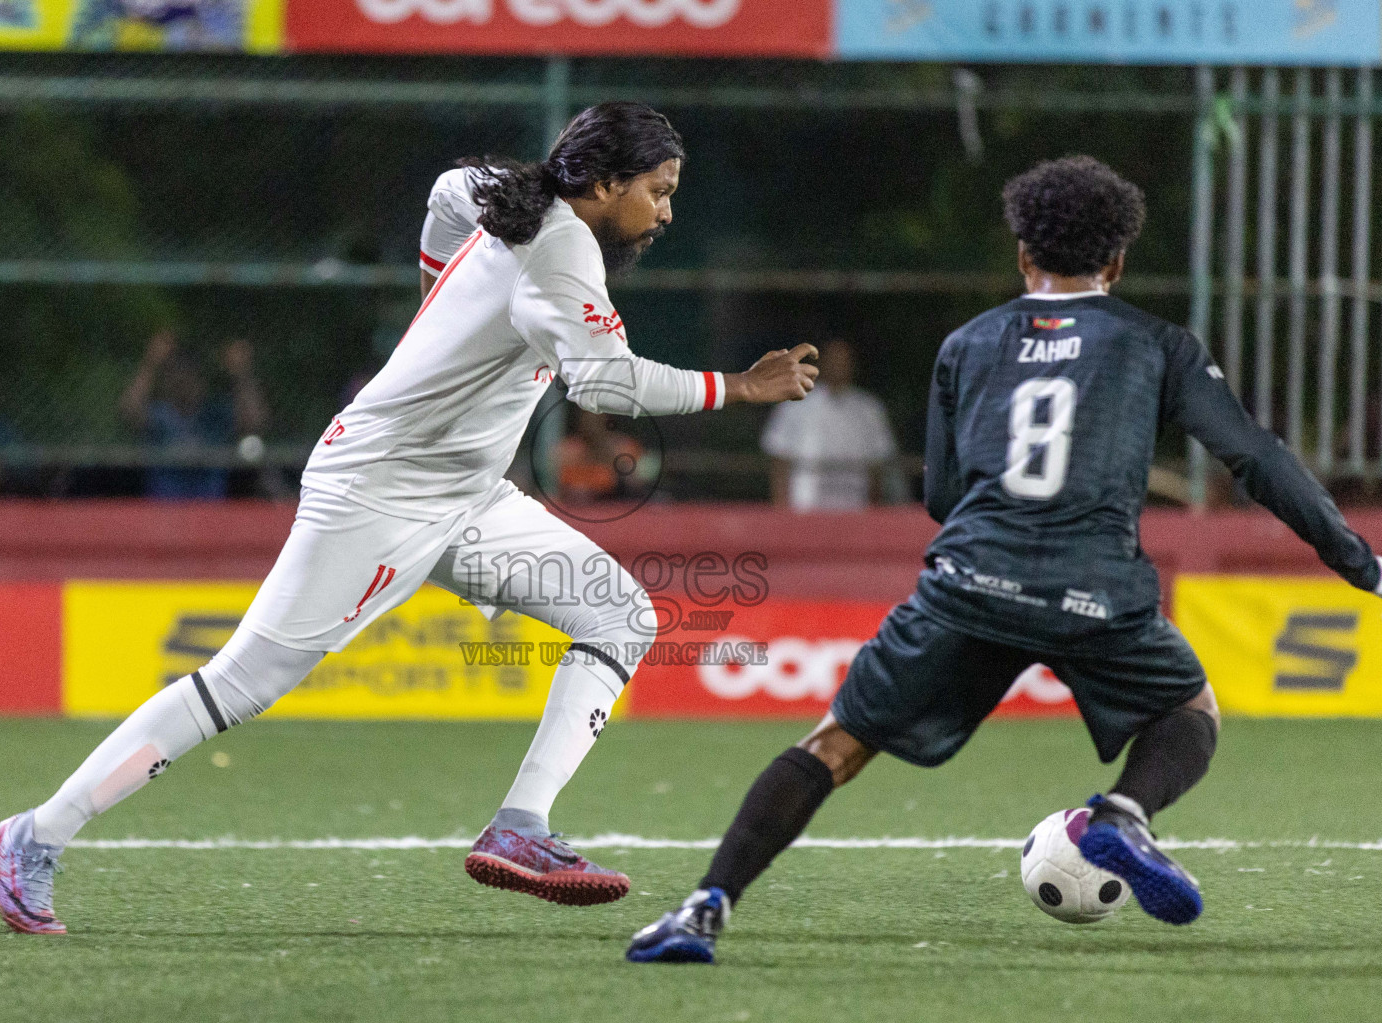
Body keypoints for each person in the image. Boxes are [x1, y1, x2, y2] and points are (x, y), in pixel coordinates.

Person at [0, 102, 819, 934]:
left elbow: (450, 190)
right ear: (603, 183)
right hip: (376, 492)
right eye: (659, 190)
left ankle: (520, 828)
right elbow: (605, 384)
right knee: (241, 683)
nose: (667, 212)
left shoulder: (515, 191)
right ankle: (33, 836)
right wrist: (739, 386)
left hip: (464, 493)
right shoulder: (561, 252)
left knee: (620, 613)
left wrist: (438, 289)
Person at [628, 155, 1382, 963]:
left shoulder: (968, 344)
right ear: (1118, 261)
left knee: (834, 746)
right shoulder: (1157, 345)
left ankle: (703, 909)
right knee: (1189, 711)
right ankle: (1125, 813)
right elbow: (1254, 457)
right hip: (1096, 588)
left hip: (967, 584)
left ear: (1024, 254)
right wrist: (1356, 560)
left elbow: (946, 495)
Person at [120, 331, 269, 500]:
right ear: (167, 381)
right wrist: (151, 363)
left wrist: (241, 373)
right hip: (162, 507)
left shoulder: (215, 414)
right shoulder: (159, 415)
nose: (183, 383)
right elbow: (129, 411)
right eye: (177, 376)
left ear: (201, 381)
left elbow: (255, 421)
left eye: (190, 376)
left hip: (210, 507)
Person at [761, 338, 904, 509]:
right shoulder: (794, 403)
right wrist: (782, 511)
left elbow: (878, 464)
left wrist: (873, 511)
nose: (838, 365)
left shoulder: (869, 408)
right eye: (834, 359)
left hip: (855, 506)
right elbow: (779, 459)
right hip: (805, 506)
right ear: (822, 362)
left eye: (843, 360)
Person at [557, 408, 649, 503]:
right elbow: (564, 487)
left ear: (606, 420)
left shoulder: (624, 447)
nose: (592, 425)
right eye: (588, 419)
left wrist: (616, 463)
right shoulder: (569, 450)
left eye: (597, 419)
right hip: (582, 507)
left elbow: (637, 484)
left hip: (617, 505)